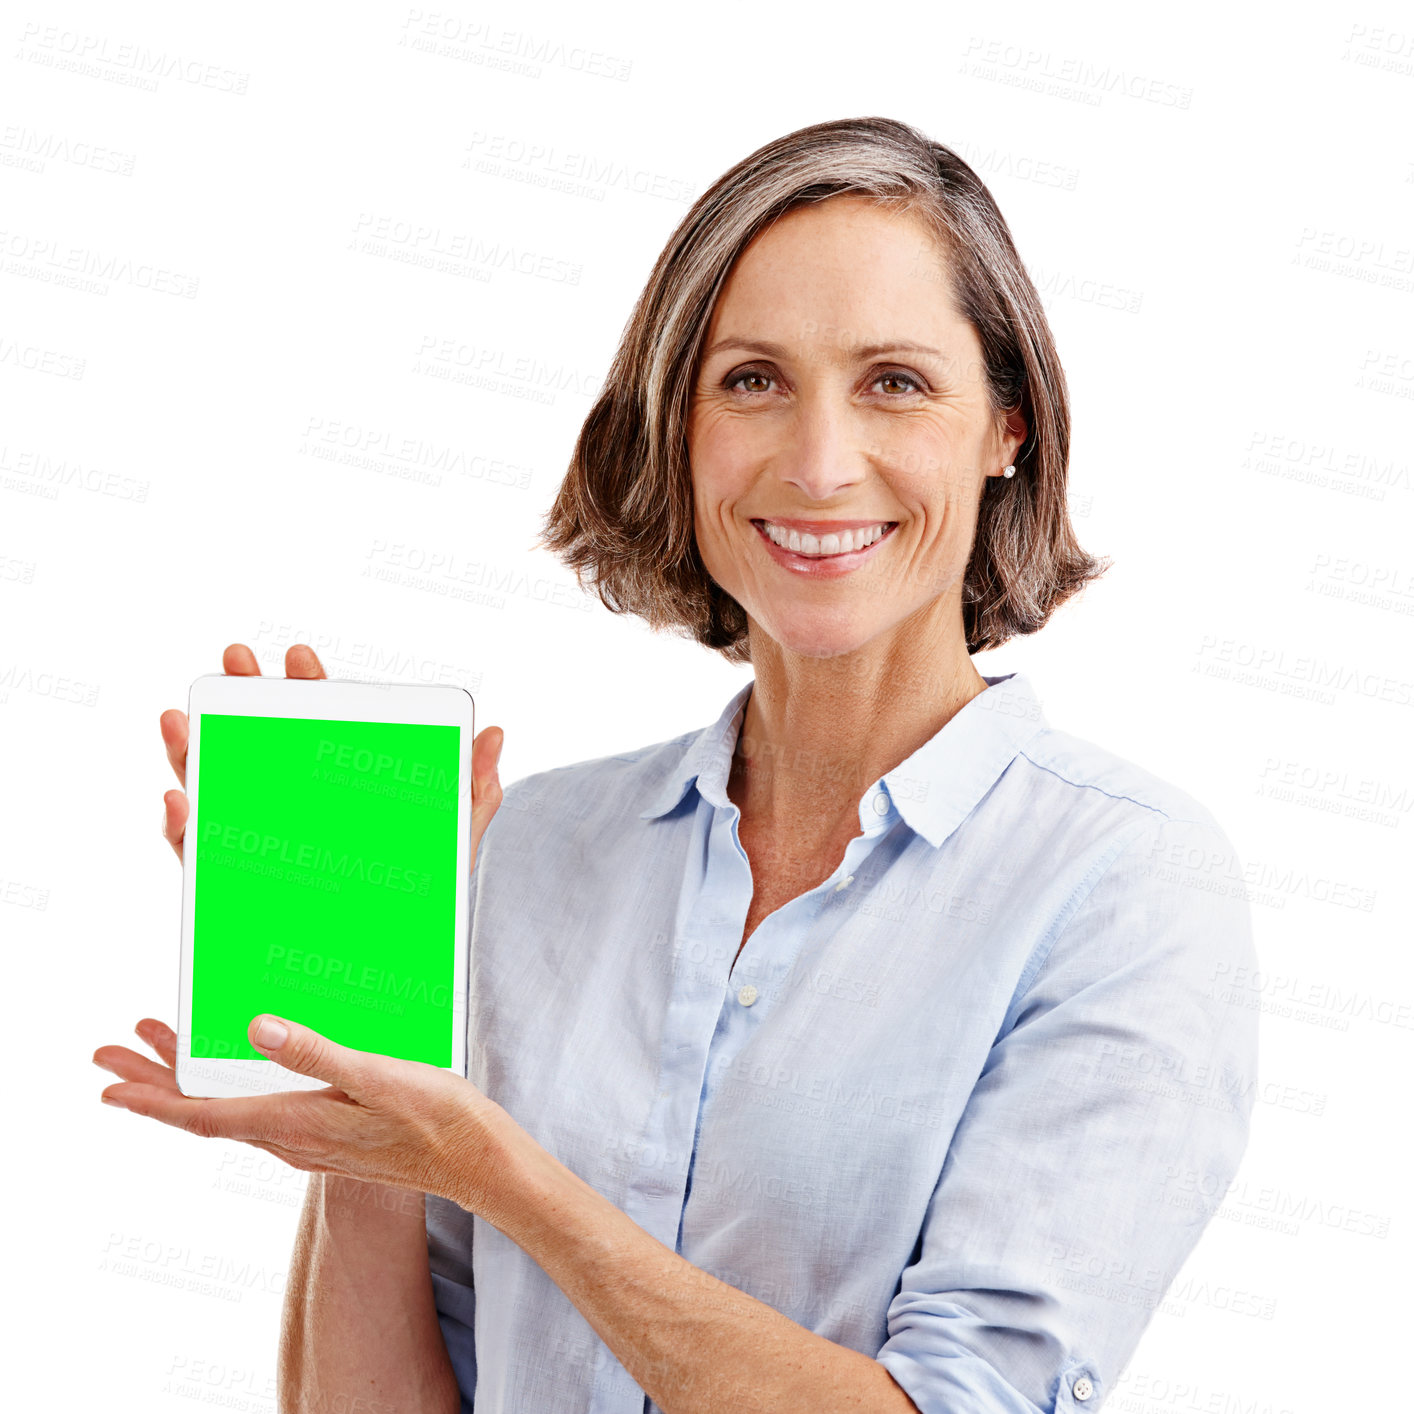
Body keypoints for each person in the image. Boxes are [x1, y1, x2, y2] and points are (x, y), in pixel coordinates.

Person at [101, 117, 1258, 1414]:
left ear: (1008, 428)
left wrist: (496, 1169)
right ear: (678, 428)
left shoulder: (1123, 882)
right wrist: (365, 1112)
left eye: (894, 381)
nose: (818, 464)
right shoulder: (529, 851)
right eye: (751, 379)